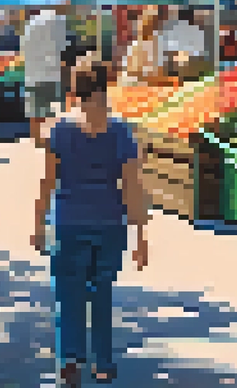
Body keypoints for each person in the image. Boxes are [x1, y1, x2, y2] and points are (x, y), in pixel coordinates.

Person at [32, 59, 149, 387]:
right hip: (110, 223)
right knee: (101, 292)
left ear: (73, 91)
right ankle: (102, 363)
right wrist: (141, 235)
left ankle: (70, 360)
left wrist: (38, 224)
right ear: (105, 87)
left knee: (68, 293)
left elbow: (47, 182)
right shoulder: (120, 130)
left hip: (68, 222)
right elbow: (131, 186)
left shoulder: (60, 130)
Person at [24, 3, 69, 145]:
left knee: (35, 109)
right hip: (50, 71)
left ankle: (36, 139)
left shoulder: (32, 21)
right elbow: (61, 48)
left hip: (32, 70)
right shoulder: (58, 20)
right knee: (52, 109)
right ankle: (52, 141)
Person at [119, 8, 164, 87]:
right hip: (134, 85)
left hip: (149, 84)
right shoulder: (136, 46)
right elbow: (134, 71)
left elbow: (157, 70)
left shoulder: (156, 43)